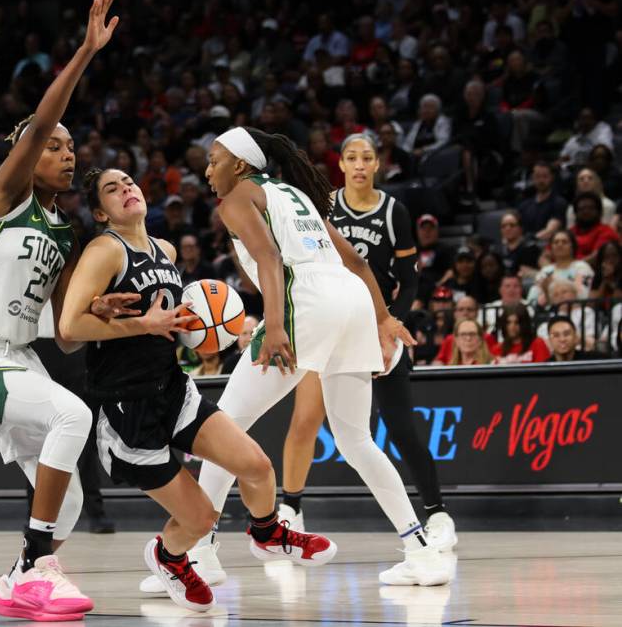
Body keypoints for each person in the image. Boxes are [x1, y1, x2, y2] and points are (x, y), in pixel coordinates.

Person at [168, 126, 450, 589]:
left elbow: (269, 259)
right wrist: (382, 320)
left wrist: (274, 325)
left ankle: (199, 553)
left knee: (223, 428)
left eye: (215, 158)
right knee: (357, 439)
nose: (207, 168)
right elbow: (357, 265)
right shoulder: (292, 194)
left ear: (239, 164)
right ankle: (420, 551)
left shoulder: (239, 196)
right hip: (351, 300)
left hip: (306, 304)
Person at [61, 167, 336, 614]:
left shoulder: (164, 248)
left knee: (258, 467)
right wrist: (142, 324)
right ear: (100, 212)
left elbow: (176, 319)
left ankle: (268, 533)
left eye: (129, 181)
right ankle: (167, 557)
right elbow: (70, 327)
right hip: (128, 409)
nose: (127, 189)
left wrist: (208, 327)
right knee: (202, 519)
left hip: (173, 390)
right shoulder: (104, 251)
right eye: (112, 189)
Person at [0, 0, 119, 622]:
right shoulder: (3, 199)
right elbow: (39, 122)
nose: (67, 154)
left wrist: (114, 315)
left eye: (71, 149)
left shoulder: (65, 233)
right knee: (73, 417)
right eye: (56, 147)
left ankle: (17, 580)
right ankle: (38, 567)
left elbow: (65, 334)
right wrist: (87, 53)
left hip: (17, 358)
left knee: (60, 502)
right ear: (30, 155)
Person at [281, 134, 456, 552]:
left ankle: (437, 514)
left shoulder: (394, 210)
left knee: (400, 428)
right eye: (352, 157)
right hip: (330, 323)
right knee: (306, 418)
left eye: (368, 158)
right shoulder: (322, 206)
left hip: (377, 327)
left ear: (378, 164)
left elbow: (410, 279)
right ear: (340, 164)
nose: (360, 164)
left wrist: (391, 323)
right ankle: (291, 509)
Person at [528, 230, 595, 305]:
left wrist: (548, 292)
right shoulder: (546, 271)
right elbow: (532, 299)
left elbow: (582, 296)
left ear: (572, 246)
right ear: (551, 247)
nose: (559, 245)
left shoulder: (582, 267)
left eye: (564, 242)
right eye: (556, 242)